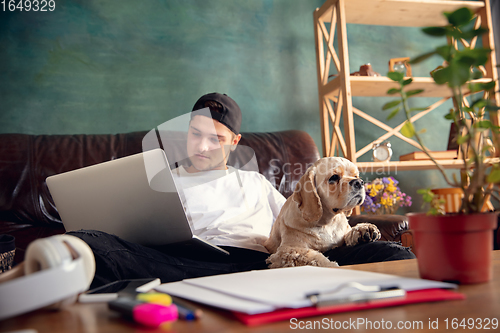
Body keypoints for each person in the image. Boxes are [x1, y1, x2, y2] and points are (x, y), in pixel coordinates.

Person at [69, 92, 414, 289]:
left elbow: (302, 223)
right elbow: (134, 232)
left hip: (265, 263)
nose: (202, 146)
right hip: (192, 263)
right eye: (195, 133)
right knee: (88, 245)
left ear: (235, 142)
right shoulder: (162, 180)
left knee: (393, 254)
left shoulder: (255, 182)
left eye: (215, 138)